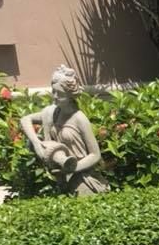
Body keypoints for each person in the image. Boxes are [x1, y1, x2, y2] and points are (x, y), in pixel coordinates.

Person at [20, 65, 109, 196]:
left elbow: (95, 155)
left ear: (70, 95)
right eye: (53, 91)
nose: (54, 96)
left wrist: (71, 169)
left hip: (80, 176)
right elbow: (25, 119)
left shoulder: (79, 119)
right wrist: (37, 143)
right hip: (57, 175)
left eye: (59, 94)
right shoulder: (52, 112)